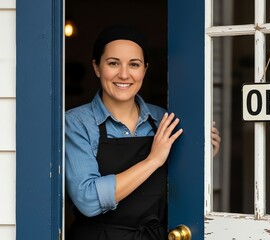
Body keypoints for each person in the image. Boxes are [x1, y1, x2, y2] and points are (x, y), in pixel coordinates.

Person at [65, 25, 221, 240]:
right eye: (113, 63)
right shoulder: (76, 123)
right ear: (97, 67)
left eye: (134, 65)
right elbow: (88, 200)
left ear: (145, 70)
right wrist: (152, 160)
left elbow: (179, 187)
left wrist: (201, 155)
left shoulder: (163, 119)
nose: (124, 74)